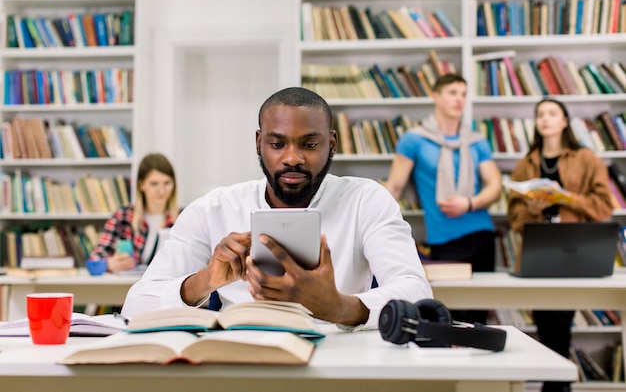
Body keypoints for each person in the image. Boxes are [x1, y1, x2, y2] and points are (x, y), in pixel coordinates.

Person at [122, 86, 433, 329]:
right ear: (259, 143)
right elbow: (135, 304)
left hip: (338, 361)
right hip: (240, 362)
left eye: (309, 144)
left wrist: (339, 307)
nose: (292, 158)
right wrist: (205, 281)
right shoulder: (212, 209)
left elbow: (417, 293)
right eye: (277, 144)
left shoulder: (367, 200)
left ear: (332, 144)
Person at [507, 98, 613, 392]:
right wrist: (533, 208)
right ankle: (558, 384)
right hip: (537, 251)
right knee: (545, 322)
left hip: (572, 249)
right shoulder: (525, 164)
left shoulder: (586, 158)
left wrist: (567, 198)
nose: (545, 118)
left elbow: (604, 207)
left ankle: (557, 384)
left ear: (565, 120)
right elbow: (514, 219)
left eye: (552, 113)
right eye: (540, 114)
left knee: (561, 321)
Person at [384, 73, 502, 325]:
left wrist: (468, 203)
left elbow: (495, 186)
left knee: (480, 315)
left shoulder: (476, 141)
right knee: (452, 316)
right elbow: (394, 186)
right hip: (444, 240)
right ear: (435, 96)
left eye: (463, 94)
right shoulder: (414, 140)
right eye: (452, 93)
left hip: (482, 235)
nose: (459, 99)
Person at [91, 152, 180, 273]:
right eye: (154, 184)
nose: (161, 190)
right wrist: (110, 264)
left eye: (167, 183)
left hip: (170, 288)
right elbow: (96, 257)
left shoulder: (183, 218)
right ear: (141, 185)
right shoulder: (123, 216)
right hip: (128, 287)